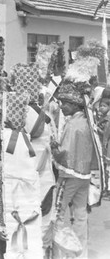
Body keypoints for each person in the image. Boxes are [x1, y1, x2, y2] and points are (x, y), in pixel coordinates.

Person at [52, 87, 94, 258]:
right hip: (84, 175)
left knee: (58, 214)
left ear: (75, 104)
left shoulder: (73, 124)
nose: (61, 107)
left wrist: (54, 148)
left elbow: (65, 153)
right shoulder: (87, 121)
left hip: (69, 176)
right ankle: (80, 253)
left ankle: (62, 253)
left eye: (65, 103)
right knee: (80, 214)